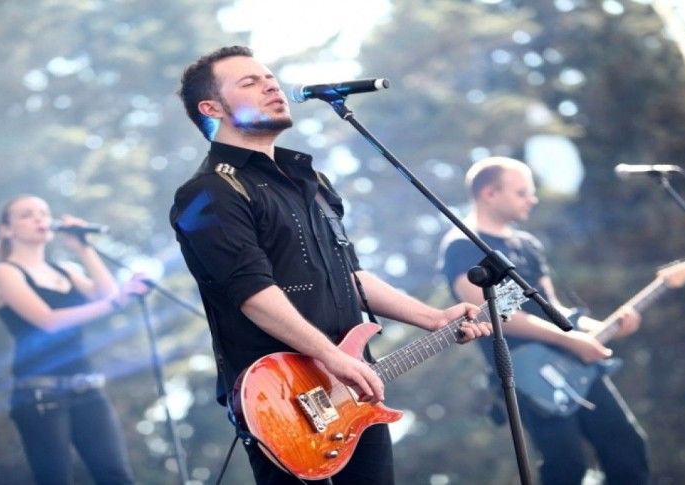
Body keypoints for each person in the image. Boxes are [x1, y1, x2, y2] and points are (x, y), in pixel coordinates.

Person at [169, 45, 492, 485]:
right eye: (250, 82)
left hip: (354, 385)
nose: (271, 86)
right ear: (212, 108)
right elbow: (252, 293)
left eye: (270, 77)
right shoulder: (209, 192)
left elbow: (350, 275)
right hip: (280, 396)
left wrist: (433, 318)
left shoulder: (312, 182)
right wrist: (329, 356)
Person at [439, 157, 650, 484]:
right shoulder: (461, 247)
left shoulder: (528, 245)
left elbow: (553, 309)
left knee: (627, 448)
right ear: (490, 193)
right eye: (522, 192)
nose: (532, 199)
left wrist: (602, 328)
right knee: (567, 465)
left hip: (572, 362)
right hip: (526, 374)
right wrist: (570, 340)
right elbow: (489, 314)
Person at [0, 194, 150, 484]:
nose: (39, 218)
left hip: (87, 389)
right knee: (55, 478)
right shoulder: (4, 273)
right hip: (39, 394)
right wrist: (115, 302)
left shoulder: (66, 271)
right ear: (7, 230)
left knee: (116, 475)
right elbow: (49, 321)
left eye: (43, 212)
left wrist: (84, 248)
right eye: (27, 214)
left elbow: (106, 295)